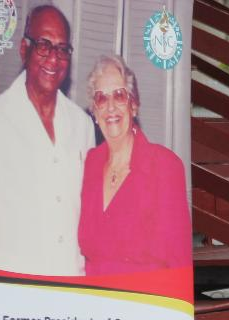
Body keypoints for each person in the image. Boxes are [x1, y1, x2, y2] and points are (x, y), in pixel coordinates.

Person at [0, 4, 95, 276]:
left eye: (62, 49)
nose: (53, 58)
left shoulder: (82, 124)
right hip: (13, 295)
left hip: (71, 288)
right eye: (44, 45)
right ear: (24, 49)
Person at [78, 55, 191, 275]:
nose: (110, 107)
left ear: (134, 105)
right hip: (94, 303)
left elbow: (180, 263)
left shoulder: (165, 167)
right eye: (101, 98)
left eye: (119, 95)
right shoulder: (90, 164)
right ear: (94, 111)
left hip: (145, 303)